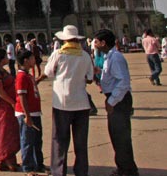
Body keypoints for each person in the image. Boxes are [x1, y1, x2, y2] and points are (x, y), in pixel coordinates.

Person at [39, 25, 94, 176]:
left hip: (62, 103)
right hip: (82, 103)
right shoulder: (85, 56)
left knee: (59, 140)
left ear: (64, 39)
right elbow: (90, 79)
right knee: (81, 142)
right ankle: (81, 171)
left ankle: (58, 172)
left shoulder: (58, 54)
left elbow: (49, 73)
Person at [94, 29, 139, 176]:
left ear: (103, 43)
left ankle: (128, 170)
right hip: (116, 98)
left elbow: (123, 82)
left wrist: (111, 101)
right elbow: (112, 77)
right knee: (116, 136)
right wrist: (99, 73)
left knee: (121, 136)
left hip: (119, 99)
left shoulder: (116, 57)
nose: (94, 44)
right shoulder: (109, 57)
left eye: (96, 41)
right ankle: (124, 167)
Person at [0, 48, 20, 171]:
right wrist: (12, 102)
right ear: (1, 59)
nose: (8, 58)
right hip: (1, 107)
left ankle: (3, 159)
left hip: (6, 106)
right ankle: (5, 158)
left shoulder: (2, 70)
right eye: (5, 56)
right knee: (3, 132)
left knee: (8, 131)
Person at [15, 49, 46, 175]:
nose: (34, 60)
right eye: (32, 58)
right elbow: (22, 97)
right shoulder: (21, 76)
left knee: (37, 140)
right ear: (26, 60)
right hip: (26, 113)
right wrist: (27, 115)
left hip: (35, 112)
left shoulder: (28, 75)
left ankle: (39, 164)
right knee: (27, 141)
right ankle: (28, 168)